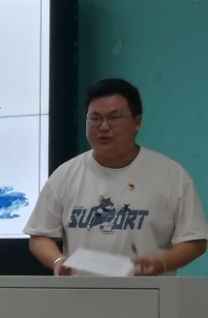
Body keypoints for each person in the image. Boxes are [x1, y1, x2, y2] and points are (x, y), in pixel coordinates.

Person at [25, 78, 208, 275]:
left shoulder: (172, 175)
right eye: (95, 118)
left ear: (137, 122)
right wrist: (57, 260)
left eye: (114, 118)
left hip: (147, 291)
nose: (103, 127)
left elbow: (194, 240)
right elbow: (40, 236)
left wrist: (162, 263)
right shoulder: (65, 174)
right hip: (80, 290)